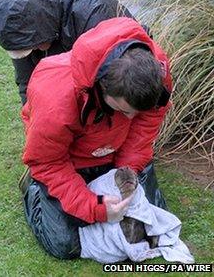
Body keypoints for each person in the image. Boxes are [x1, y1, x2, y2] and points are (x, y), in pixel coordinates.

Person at [20, 17, 172, 259]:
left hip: (114, 150)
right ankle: (34, 188)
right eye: (124, 111)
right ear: (101, 87)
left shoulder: (157, 69)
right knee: (65, 245)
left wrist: (126, 171)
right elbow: (49, 162)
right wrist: (94, 207)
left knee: (153, 228)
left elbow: (145, 125)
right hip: (67, 160)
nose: (131, 117)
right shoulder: (55, 99)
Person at [0, 0, 133, 105]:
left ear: (44, 28)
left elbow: (107, 83)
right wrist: (33, 120)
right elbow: (27, 82)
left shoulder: (93, 14)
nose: (34, 50)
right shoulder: (20, 29)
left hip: (122, 82)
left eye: (34, 46)